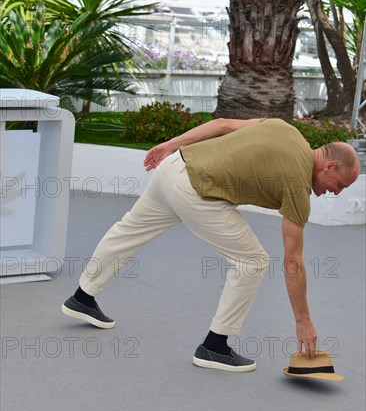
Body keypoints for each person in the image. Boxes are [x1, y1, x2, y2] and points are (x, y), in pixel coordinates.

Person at [62, 118, 360, 372]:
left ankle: (82, 297)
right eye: (340, 185)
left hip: (175, 165)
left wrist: (171, 146)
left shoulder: (286, 129)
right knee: (253, 262)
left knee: (129, 229)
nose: (336, 192)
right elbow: (292, 261)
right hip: (194, 189)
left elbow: (221, 125)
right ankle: (215, 346)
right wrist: (303, 321)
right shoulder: (298, 186)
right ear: (329, 165)